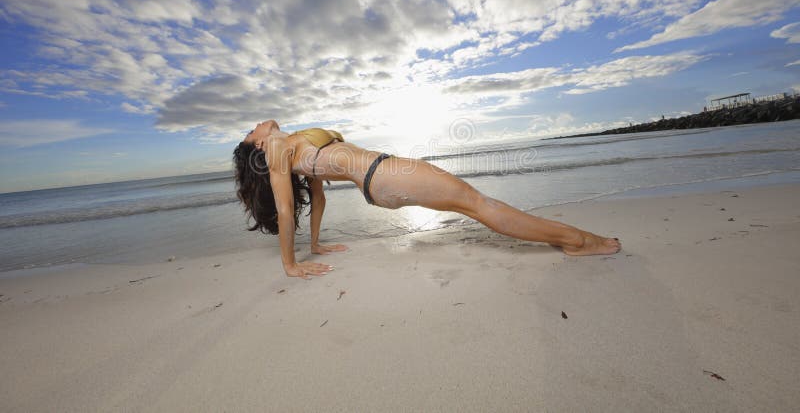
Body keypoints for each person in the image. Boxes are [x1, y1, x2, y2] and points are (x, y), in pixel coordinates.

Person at [233, 120, 621, 279]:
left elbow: (317, 199)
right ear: (258, 144)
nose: (258, 125)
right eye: (252, 130)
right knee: (479, 203)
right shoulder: (278, 147)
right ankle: (576, 241)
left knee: (475, 205)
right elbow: (286, 208)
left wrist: (315, 244)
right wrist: (290, 264)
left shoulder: (294, 145)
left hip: (380, 178)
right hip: (381, 175)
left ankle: (561, 237)